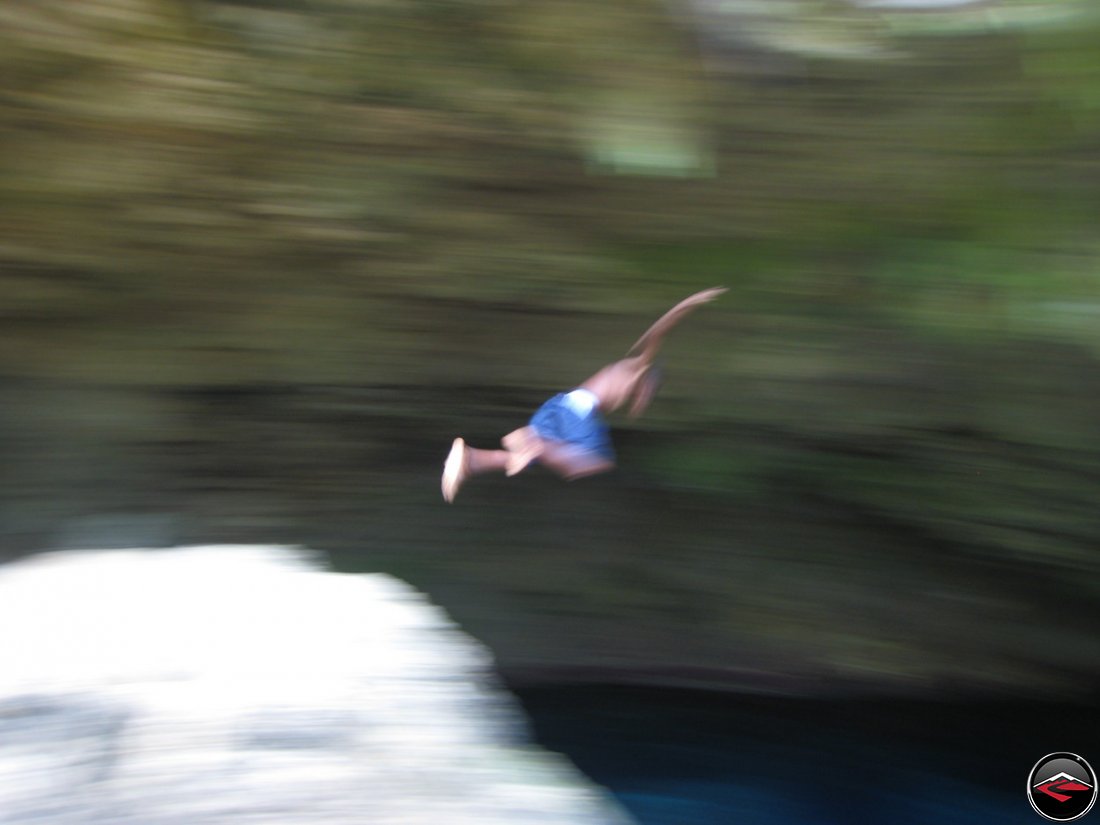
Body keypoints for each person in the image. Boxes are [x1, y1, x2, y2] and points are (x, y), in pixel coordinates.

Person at [441, 286, 726, 502]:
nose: (643, 399)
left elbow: (633, 401)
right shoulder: (639, 368)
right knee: (593, 461)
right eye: (649, 392)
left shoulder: (626, 377)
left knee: (540, 458)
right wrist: (690, 303)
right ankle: (536, 444)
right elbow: (657, 334)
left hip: (561, 405)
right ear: (650, 381)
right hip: (579, 412)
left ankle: (471, 460)